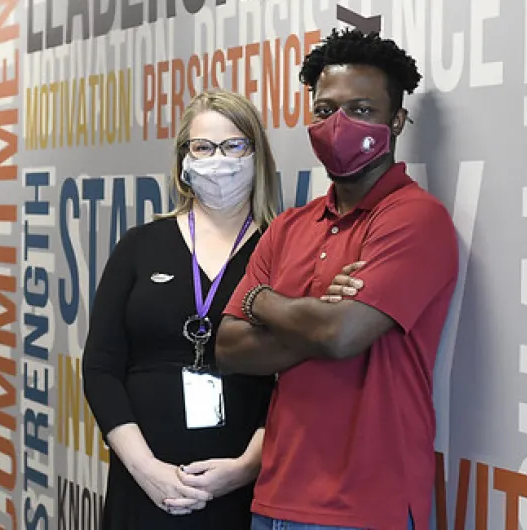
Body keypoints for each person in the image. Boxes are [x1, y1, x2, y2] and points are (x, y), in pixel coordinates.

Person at [215, 28, 459, 530]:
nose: (339, 125)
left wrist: (263, 300)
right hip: (275, 497)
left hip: (367, 507)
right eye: (325, 111)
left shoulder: (414, 218)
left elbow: (341, 335)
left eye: (361, 110)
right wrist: (315, 310)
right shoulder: (289, 226)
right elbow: (230, 347)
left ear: (397, 120)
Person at [83, 89, 283, 530]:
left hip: (245, 490)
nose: (219, 160)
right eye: (203, 147)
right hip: (144, 486)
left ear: (257, 156)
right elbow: (100, 368)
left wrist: (247, 466)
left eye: (235, 146)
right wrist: (145, 470)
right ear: (183, 161)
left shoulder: (284, 251)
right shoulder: (139, 247)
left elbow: (299, 383)